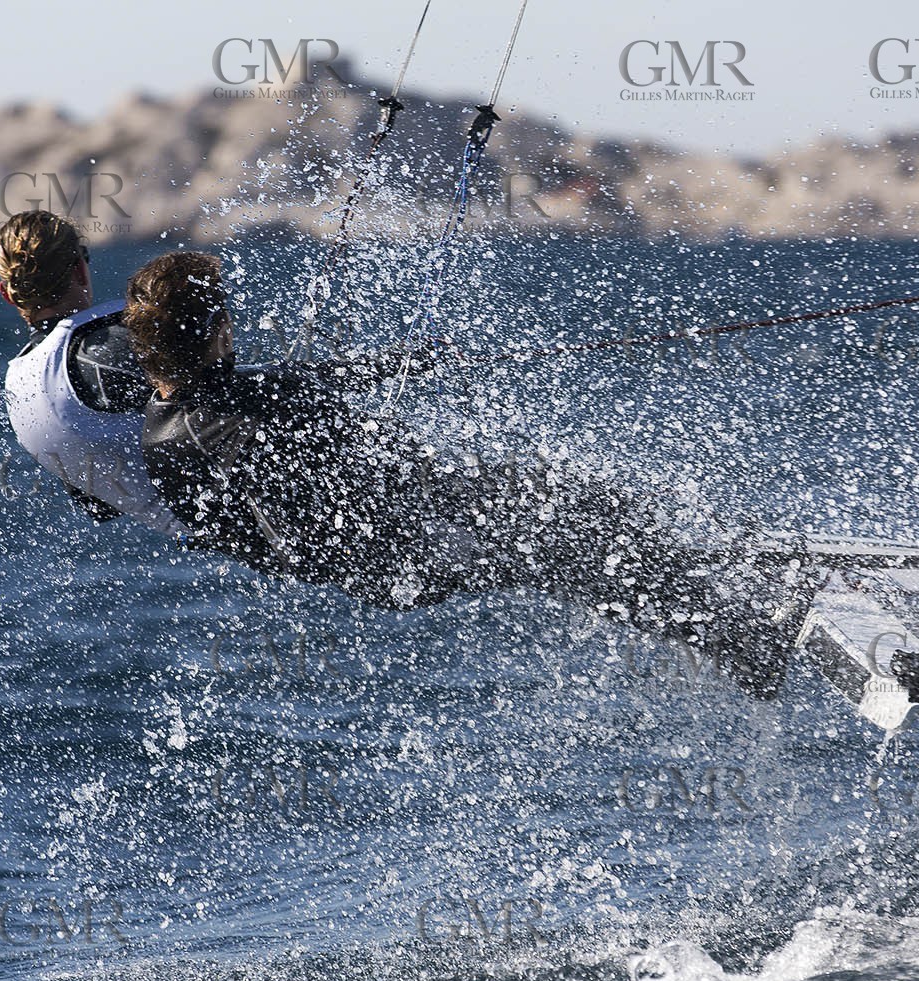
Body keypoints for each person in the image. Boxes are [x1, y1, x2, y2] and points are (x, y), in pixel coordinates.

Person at [126, 251, 810, 698]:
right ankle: (742, 641)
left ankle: (713, 577)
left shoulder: (198, 397)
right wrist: (374, 486)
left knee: (568, 498)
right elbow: (287, 522)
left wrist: (403, 364)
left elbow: (299, 381)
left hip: (405, 512)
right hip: (392, 552)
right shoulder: (217, 426)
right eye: (226, 315)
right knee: (560, 545)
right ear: (215, 330)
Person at [0, 210, 186, 536]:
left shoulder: (20, 388)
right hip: (252, 505)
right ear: (80, 270)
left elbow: (100, 506)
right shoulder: (106, 347)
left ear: (7, 293)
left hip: (210, 531)